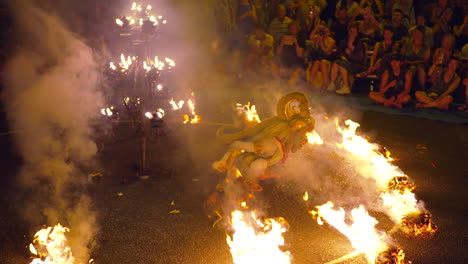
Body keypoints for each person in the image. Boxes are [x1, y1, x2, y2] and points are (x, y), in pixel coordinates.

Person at [329, 22, 366, 94]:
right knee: (337, 62)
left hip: (356, 65)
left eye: (354, 32)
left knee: (341, 64)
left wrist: (350, 54)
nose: (352, 34)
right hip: (345, 62)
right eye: (351, 31)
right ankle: (332, 84)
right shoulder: (343, 42)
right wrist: (343, 56)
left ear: (357, 34)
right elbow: (338, 53)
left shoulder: (359, 43)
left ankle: (346, 86)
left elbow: (360, 59)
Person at [401, 25, 430, 90]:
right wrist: (407, 62)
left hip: (420, 66)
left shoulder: (426, 47)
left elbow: (426, 60)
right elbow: (401, 56)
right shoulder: (407, 44)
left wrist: (413, 62)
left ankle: (423, 89)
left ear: (423, 35)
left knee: (420, 70)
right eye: (415, 33)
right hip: (407, 64)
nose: (417, 35)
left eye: (419, 33)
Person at [307, 25, 336, 90]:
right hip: (317, 58)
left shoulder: (331, 41)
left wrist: (321, 41)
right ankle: (310, 83)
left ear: (329, 32)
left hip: (327, 58)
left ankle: (325, 83)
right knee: (317, 62)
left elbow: (326, 51)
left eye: (327, 31)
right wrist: (316, 28)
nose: (326, 33)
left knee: (322, 61)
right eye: (324, 31)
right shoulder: (318, 37)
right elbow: (310, 37)